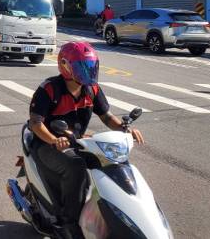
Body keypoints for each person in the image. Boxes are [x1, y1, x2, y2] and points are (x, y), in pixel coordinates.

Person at [28, 41, 144, 239]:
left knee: (111, 164)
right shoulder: (49, 89)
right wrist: (54, 140)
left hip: (77, 141)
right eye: (82, 67)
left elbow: (107, 116)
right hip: (46, 144)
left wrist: (125, 129)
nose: (88, 72)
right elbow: (36, 124)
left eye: (91, 67)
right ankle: (68, 223)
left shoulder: (92, 90)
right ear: (65, 66)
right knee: (77, 167)